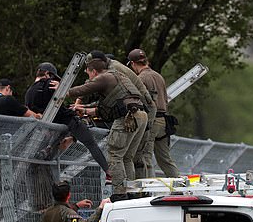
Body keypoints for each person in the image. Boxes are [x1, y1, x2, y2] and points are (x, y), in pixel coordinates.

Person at [68, 55, 148, 202]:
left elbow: (83, 89)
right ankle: (130, 192)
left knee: (115, 155)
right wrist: (84, 110)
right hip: (140, 115)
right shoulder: (117, 77)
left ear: (94, 71)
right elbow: (104, 109)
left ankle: (119, 194)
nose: (89, 77)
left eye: (89, 73)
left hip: (127, 118)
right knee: (127, 157)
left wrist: (63, 90)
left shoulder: (103, 77)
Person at [25, 62, 110, 181]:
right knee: (90, 143)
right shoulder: (51, 84)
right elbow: (59, 106)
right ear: (48, 74)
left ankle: (49, 147)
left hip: (47, 127)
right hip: (65, 121)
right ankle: (108, 171)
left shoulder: (28, 93)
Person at [86, 50, 157, 180]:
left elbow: (114, 97)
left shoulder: (114, 70)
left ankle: (134, 191)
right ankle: (138, 192)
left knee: (137, 157)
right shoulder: (114, 69)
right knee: (133, 157)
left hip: (140, 110)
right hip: (144, 111)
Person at [128, 48, 180, 178]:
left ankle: (148, 189)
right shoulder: (158, 76)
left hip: (152, 121)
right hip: (164, 122)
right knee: (165, 159)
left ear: (133, 64)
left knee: (145, 156)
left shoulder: (140, 79)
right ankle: (180, 186)